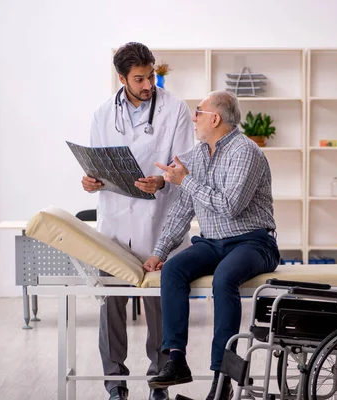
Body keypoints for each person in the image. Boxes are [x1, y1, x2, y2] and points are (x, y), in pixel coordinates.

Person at [143, 90, 280, 400]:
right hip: (213, 242)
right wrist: (160, 252)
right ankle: (176, 359)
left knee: (224, 279)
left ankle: (222, 378)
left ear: (215, 118)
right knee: (174, 270)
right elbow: (182, 209)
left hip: (253, 241)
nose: (194, 118)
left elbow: (230, 205)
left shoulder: (246, 152)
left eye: (198, 112)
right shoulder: (200, 153)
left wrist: (185, 180)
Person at [81, 42, 194, 400]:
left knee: (161, 306)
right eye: (140, 79)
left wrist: (162, 180)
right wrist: (90, 180)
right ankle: (115, 384)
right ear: (122, 78)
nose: (149, 85)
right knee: (111, 304)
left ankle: (159, 383)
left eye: (151, 76)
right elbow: (96, 162)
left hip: (158, 220)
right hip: (114, 223)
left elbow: (185, 164)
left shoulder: (174, 109)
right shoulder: (102, 113)